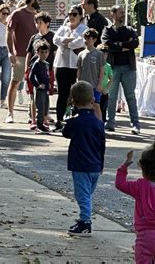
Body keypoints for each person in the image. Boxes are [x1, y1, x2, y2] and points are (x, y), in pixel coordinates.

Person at [62, 81, 105, 236]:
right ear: (92, 100)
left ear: (74, 101)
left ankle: (86, 222)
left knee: (82, 195)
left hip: (80, 164)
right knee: (88, 194)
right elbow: (102, 144)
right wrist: (101, 163)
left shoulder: (74, 122)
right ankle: (84, 218)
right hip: (95, 163)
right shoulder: (98, 123)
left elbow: (65, 132)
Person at [5, 0, 44, 123]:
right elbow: (9, 34)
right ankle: (10, 113)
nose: (41, 2)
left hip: (37, 56)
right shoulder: (17, 13)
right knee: (16, 82)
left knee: (33, 85)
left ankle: (32, 115)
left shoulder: (38, 15)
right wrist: (11, 52)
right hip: (20, 55)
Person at [102, 5, 141, 134]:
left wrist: (119, 44)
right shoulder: (107, 30)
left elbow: (135, 43)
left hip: (129, 68)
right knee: (112, 96)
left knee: (130, 96)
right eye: (120, 12)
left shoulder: (129, 30)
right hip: (113, 68)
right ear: (112, 14)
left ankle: (136, 124)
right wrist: (125, 45)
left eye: (124, 12)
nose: (123, 15)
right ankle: (110, 123)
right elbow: (108, 45)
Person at [53, 5, 88, 131]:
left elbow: (79, 42)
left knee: (76, 93)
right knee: (62, 93)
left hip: (75, 65)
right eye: (69, 14)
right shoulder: (63, 28)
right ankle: (59, 120)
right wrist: (68, 40)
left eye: (74, 14)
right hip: (61, 64)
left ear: (80, 16)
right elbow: (55, 40)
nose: (71, 17)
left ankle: (75, 119)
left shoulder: (84, 28)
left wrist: (67, 43)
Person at [25, 11, 57, 128]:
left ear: (47, 23)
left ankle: (44, 118)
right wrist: (26, 68)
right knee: (33, 95)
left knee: (45, 96)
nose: (38, 25)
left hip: (48, 69)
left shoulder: (52, 36)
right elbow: (29, 53)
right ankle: (33, 120)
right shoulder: (34, 37)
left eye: (40, 22)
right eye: (36, 22)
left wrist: (54, 70)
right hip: (34, 68)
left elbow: (55, 53)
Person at [77, 28, 105, 120]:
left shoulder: (99, 54)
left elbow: (101, 70)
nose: (87, 40)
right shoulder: (81, 54)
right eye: (85, 38)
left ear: (94, 40)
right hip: (84, 85)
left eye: (89, 38)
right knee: (84, 106)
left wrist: (100, 83)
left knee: (96, 105)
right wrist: (78, 82)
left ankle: (100, 125)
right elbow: (79, 69)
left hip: (94, 85)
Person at [28, 40, 50, 134]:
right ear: (37, 52)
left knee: (45, 107)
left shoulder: (46, 64)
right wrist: (38, 85)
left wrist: (49, 84)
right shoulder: (36, 63)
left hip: (45, 90)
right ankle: (38, 125)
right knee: (40, 108)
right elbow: (31, 77)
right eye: (41, 52)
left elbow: (47, 76)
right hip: (39, 90)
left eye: (46, 52)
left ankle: (43, 124)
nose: (44, 54)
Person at [97, 43, 113, 123]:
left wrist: (106, 89)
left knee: (103, 109)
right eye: (103, 54)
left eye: (106, 54)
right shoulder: (95, 65)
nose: (104, 56)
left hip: (104, 92)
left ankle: (102, 124)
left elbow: (111, 79)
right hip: (96, 90)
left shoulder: (108, 66)